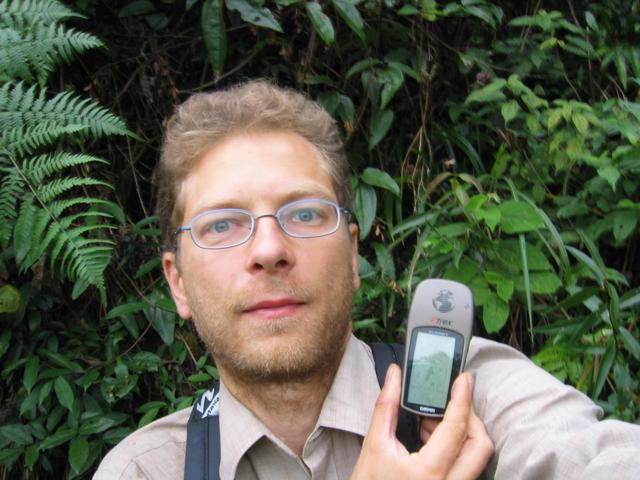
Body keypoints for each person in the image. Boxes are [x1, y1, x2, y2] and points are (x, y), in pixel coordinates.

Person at [94, 81, 640, 480]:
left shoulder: (469, 394)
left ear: (353, 254)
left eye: (304, 214)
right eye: (221, 224)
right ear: (178, 283)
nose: (268, 251)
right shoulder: (144, 471)